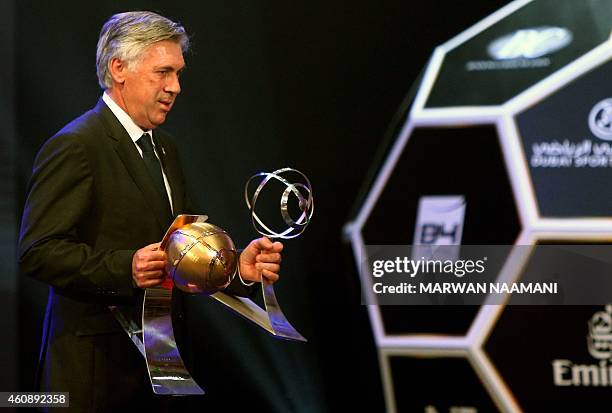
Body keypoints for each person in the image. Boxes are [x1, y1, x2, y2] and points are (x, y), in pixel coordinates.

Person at [18, 11, 283, 411]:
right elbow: (37, 251)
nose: (174, 87)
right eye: (162, 72)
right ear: (118, 68)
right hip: (92, 376)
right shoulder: (76, 145)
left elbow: (184, 248)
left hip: (161, 368)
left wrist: (234, 269)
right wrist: (127, 268)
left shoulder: (166, 149)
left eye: (177, 74)